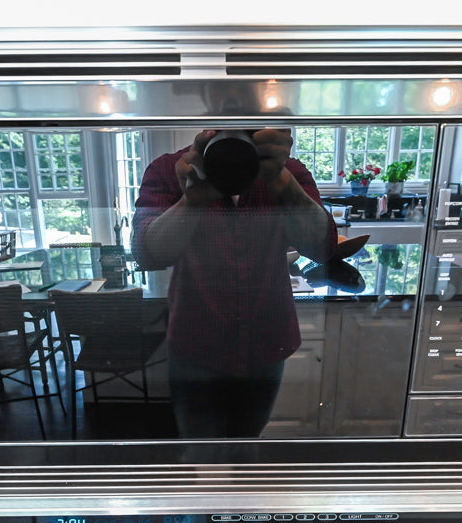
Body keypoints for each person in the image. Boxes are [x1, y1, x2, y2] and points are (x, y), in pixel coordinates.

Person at [132, 128, 337, 438]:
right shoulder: (171, 170)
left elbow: (323, 249)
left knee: (245, 442)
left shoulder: (287, 170)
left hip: (255, 342)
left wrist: (280, 179)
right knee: (202, 446)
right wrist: (193, 199)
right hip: (200, 344)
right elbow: (147, 255)